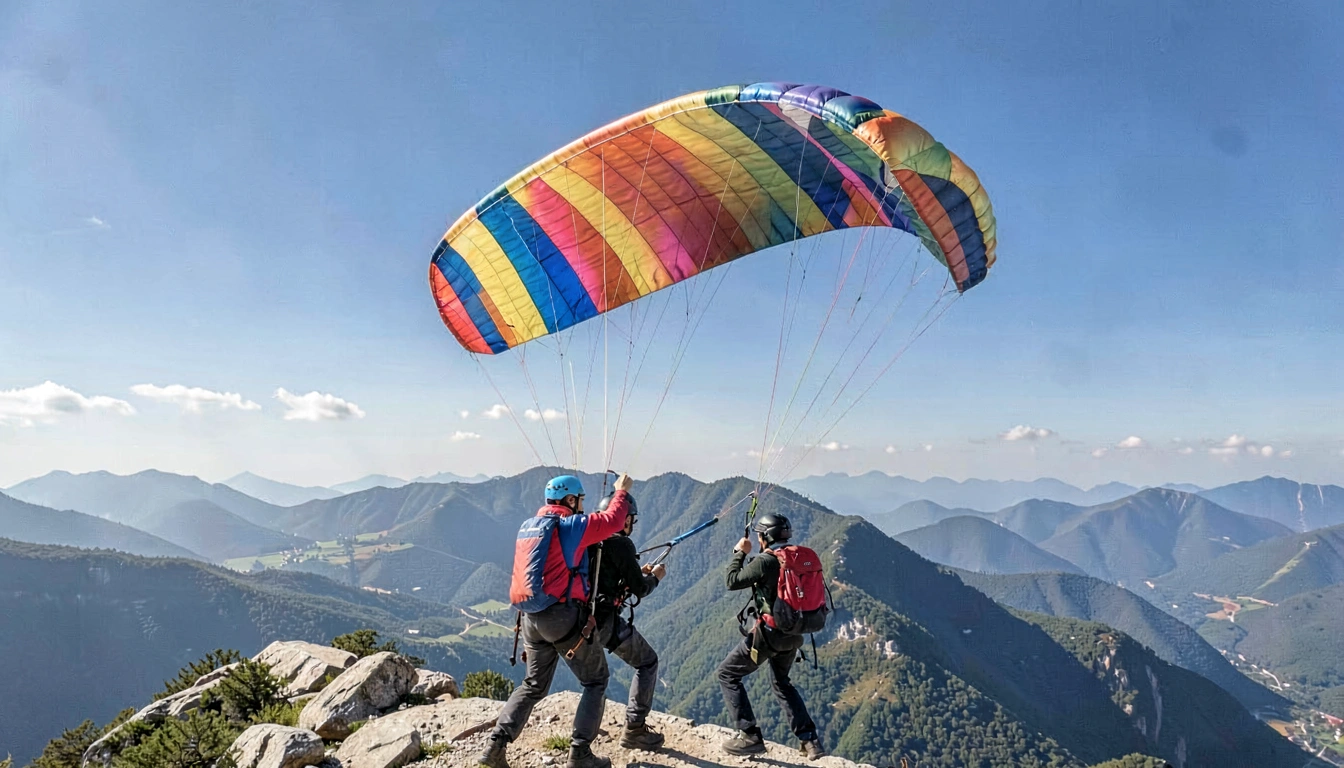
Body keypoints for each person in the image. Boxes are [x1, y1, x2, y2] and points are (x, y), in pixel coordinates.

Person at [479, 473, 633, 768]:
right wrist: (621, 492)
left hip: (530, 618)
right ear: (570, 500)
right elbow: (614, 521)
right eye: (580, 501)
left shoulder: (530, 526)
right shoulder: (571, 526)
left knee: (533, 684)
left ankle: (495, 745)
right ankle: (580, 754)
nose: (582, 507)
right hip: (562, 616)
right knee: (596, 680)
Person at [716, 512, 826, 760]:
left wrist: (739, 553)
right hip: (794, 634)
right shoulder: (797, 559)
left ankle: (749, 736)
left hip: (768, 635)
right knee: (782, 683)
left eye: (759, 535)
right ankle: (810, 740)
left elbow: (732, 581)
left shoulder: (766, 561)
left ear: (766, 536)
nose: (758, 539)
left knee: (727, 674)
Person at [588, 493, 667, 750]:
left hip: (579, 620)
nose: (632, 523)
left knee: (591, 680)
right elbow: (640, 589)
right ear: (624, 519)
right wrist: (655, 578)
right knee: (647, 662)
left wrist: (636, 572)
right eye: (631, 518)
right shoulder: (622, 544)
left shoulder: (591, 540)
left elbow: (607, 575)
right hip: (605, 622)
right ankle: (635, 729)